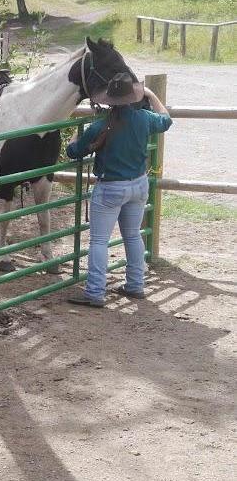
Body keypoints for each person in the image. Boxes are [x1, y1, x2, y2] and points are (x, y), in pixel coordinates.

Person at [66, 73, 172, 307]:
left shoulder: (99, 126)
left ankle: (95, 292)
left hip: (110, 188)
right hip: (138, 183)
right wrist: (152, 94)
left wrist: (76, 133)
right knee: (133, 235)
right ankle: (135, 285)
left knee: (99, 241)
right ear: (134, 96)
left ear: (109, 100)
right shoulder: (144, 118)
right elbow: (166, 120)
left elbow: (73, 152)